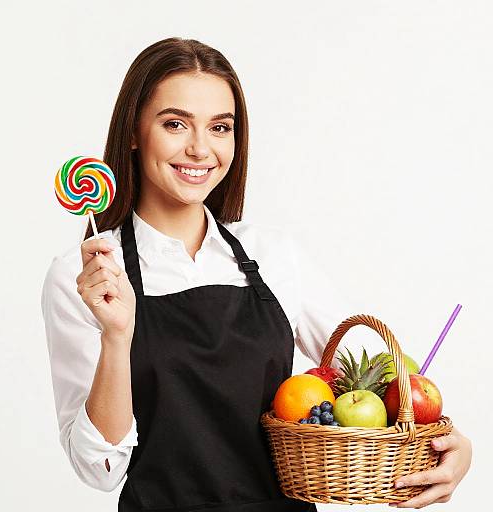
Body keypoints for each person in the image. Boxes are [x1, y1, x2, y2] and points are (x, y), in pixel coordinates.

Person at [41, 38, 472, 511]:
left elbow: (380, 386)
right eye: (175, 123)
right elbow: (99, 470)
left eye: (220, 127)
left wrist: (452, 446)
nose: (200, 148)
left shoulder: (276, 256)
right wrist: (117, 336)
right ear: (134, 131)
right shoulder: (84, 277)